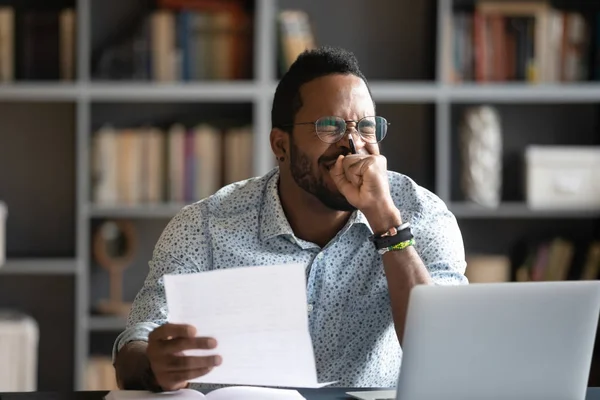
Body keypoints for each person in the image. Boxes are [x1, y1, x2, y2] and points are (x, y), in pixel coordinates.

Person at [113, 46, 468, 392]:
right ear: (281, 146)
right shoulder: (204, 227)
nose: (353, 145)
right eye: (329, 127)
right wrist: (155, 366)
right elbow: (136, 345)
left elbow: (448, 354)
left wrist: (385, 222)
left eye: (366, 126)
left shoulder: (422, 215)